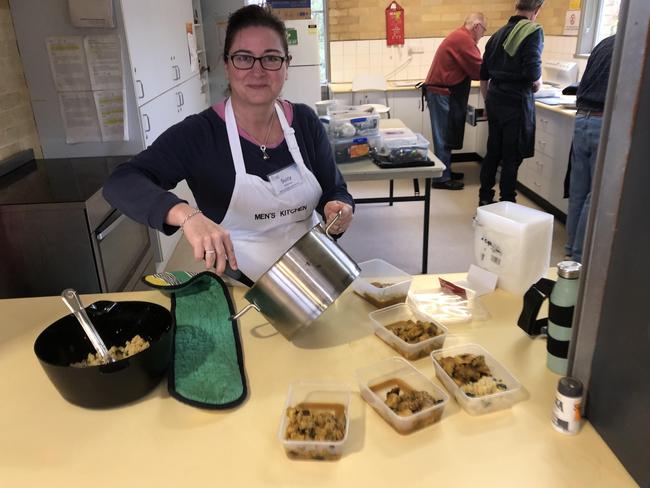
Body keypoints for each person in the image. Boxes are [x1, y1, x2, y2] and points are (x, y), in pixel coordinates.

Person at [103, 5, 354, 281]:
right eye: (244, 58)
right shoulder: (200, 134)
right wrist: (187, 215)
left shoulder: (305, 122)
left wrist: (338, 206)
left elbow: (335, 189)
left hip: (317, 275)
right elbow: (121, 181)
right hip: (243, 286)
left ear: (286, 66)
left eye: (271, 58)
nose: (258, 71)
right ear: (227, 65)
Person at [478, 0, 545, 205]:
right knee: (511, 156)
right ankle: (507, 202)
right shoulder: (532, 31)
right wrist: (538, 83)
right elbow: (533, 71)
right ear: (537, 10)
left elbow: (483, 75)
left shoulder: (497, 35)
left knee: (493, 153)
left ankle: (484, 199)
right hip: (516, 102)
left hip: (496, 98)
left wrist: (488, 102)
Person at [564, 34, 616, 263]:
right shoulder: (632, 45)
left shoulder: (605, 42)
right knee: (594, 194)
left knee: (578, 192)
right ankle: (579, 256)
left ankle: (570, 248)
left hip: (582, 119)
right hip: (603, 120)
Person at [424, 12, 487, 191]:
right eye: (484, 31)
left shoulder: (460, 36)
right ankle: (442, 178)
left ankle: (446, 170)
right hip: (442, 92)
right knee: (444, 135)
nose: (482, 36)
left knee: (447, 133)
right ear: (477, 26)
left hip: (443, 92)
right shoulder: (464, 39)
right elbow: (479, 70)